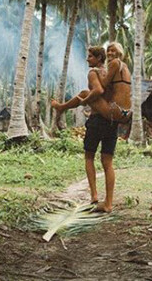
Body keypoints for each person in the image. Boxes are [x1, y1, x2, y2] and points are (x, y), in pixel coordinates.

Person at [51, 46, 118, 212]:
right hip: (112, 121)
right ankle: (108, 203)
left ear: (98, 58)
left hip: (97, 121)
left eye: (90, 56)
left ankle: (94, 195)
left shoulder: (94, 72)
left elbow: (98, 90)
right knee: (108, 163)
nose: (87, 59)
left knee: (89, 157)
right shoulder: (110, 74)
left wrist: (84, 101)